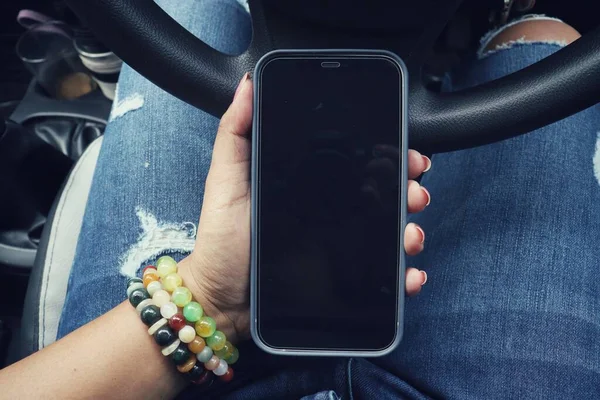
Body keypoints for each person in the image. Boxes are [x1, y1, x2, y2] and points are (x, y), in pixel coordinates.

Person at [1, 0, 597, 398]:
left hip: (170, 366)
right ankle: (516, 15)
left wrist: (211, 297)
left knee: (187, 7)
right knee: (548, 41)